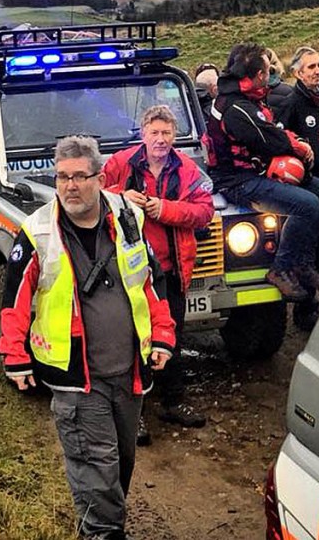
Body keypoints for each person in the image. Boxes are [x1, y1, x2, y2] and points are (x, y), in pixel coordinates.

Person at [0, 135, 176, 540]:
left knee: (120, 465)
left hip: (130, 374)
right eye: (62, 177)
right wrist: (14, 355)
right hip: (78, 380)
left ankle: (101, 527)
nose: (70, 186)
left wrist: (163, 335)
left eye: (80, 176)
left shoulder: (126, 217)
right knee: (96, 468)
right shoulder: (38, 231)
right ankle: (102, 534)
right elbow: (13, 300)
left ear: (100, 178)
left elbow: (151, 281)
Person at [102, 105, 214, 444]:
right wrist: (121, 197)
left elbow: (205, 210)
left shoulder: (188, 169)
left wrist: (164, 209)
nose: (161, 140)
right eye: (155, 133)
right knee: (130, 342)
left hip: (171, 270)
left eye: (167, 134)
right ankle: (132, 415)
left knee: (171, 340)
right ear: (143, 134)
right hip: (130, 273)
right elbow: (93, 198)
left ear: (174, 136)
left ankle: (173, 401)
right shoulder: (120, 164)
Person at [206, 42, 319, 302]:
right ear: (259, 76)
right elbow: (268, 139)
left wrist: (294, 143)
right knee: (307, 204)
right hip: (237, 181)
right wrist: (298, 147)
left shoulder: (248, 99)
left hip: (255, 173)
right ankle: (281, 267)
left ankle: (302, 262)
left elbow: (271, 128)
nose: (272, 72)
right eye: (267, 69)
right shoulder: (235, 108)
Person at [272, 47, 319, 330]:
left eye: (318, 66)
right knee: (308, 249)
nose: (317, 71)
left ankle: (310, 301)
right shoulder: (293, 103)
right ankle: (305, 310)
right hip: (310, 186)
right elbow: (281, 140)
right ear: (297, 73)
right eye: (311, 67)